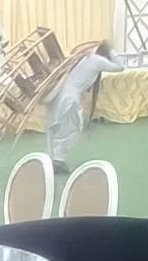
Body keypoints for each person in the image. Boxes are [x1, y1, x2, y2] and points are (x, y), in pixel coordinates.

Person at [44, 40, 123, 172]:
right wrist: (112, 50)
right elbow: (120, 67)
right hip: (69, 97)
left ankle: (54, 159)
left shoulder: (85, 57)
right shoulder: (97, 60)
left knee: (58, 127)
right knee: (72, 127)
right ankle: (58, 160)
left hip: (59, 94)